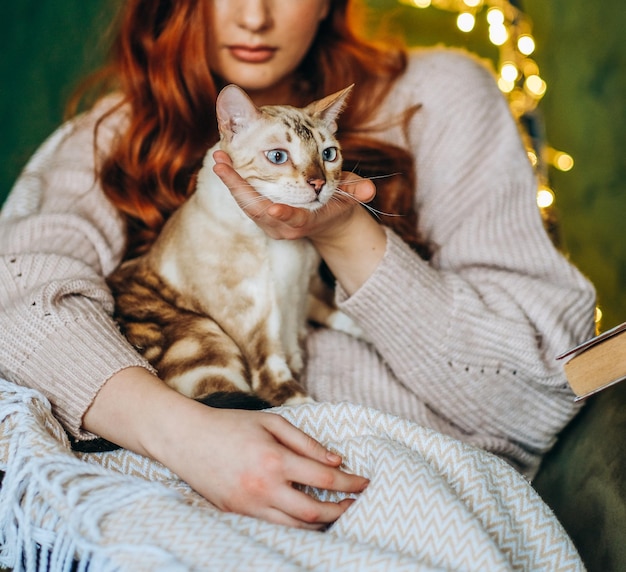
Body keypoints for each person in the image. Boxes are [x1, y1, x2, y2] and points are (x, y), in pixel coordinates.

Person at [0, 0, 595, 532]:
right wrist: (189, 435)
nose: (254, 16)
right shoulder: (113, 133)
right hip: (180, 467)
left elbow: (538, 394)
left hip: (400, 480)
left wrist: (340, 228)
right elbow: (18, 300)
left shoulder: (440, 94)